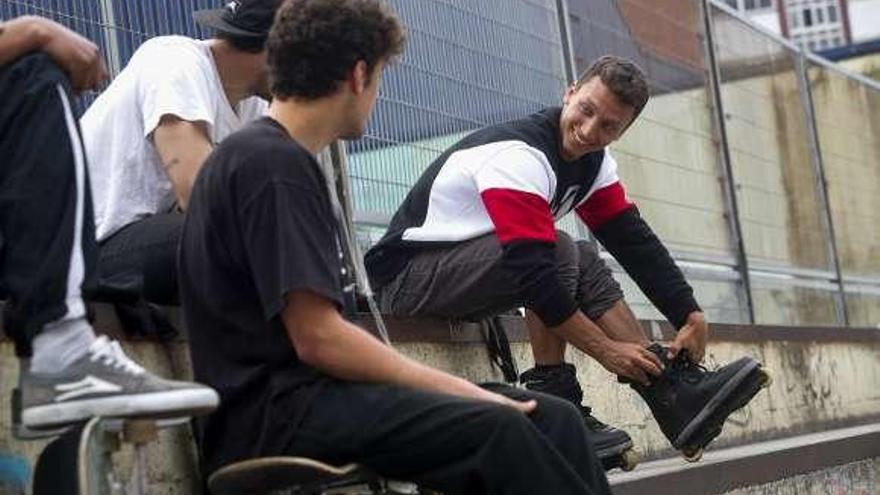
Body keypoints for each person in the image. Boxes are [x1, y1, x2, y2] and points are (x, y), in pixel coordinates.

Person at [179, 1, 611, 493]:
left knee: (552, 418)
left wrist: (466, 393)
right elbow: (318, 337)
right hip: (273, 418)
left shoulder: (276, 159)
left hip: (314, 401)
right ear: (359, 74)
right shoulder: (271, 165)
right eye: (381, 77)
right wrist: (463, 391)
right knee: (500, 427)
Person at [364, 55, 768, 462]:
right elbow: (534, 277)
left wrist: (689, 314)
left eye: (609, 125)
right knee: (555, 250)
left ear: (624, 130)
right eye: (586, 110)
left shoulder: (594, 165)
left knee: (583, 257)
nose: (590, 130)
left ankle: (673, 397)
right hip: (405, 283)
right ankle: (554, 400)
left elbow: (633, 242)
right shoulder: (520, 156)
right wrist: (606, 351)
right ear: (570, 92)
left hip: (461, 280)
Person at [0, 15, 218, 431]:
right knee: (31, 70)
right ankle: (61, 351)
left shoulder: (258, 108)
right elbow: (203, 201)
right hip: (101, 247)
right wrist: (33, 31)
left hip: (53, 255)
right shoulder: (176, 62)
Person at [79, 0, 280, 308]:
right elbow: (199, 194)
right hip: (90, 248)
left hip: (148, 238)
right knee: (235, 239)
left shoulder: (255, 107)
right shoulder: (175, 61)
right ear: (274, 50)